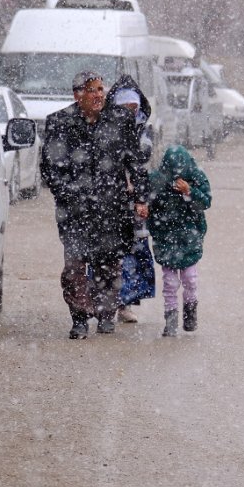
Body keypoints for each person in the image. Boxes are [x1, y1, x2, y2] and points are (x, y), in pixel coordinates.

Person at [40, 71, 149, 339]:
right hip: (74, 210)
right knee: (75, 267)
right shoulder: (60, 122)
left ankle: (105, 315)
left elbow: (134, 161)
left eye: (101, 89)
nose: (99, 95)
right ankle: (79, 318)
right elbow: (49, 168)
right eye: (92, 90)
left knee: (108, 264)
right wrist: (69, 193)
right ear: (78, 94)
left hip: (111, 207)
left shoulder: (120, 119)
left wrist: (140, 198)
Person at [147, 145, 211, 337]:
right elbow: (149, 203)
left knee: (190, 279)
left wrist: (189, 191)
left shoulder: (196, 176)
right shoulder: (157, 181)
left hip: (189, 236)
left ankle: (190, 314)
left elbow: (206, 202)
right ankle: (171, 320)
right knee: (170, 282)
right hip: (166, 237)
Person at [107, 81, 156, 323]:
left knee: (132, 252)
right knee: (107, 253)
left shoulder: (144, 130)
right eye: (125, 106)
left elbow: (144, 157)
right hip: (109, 198)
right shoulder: (105, 128)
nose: (130, 111)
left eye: (133, 106)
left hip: (136, 198)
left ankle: (124, 303)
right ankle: (105, 303)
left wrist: (141, 196)